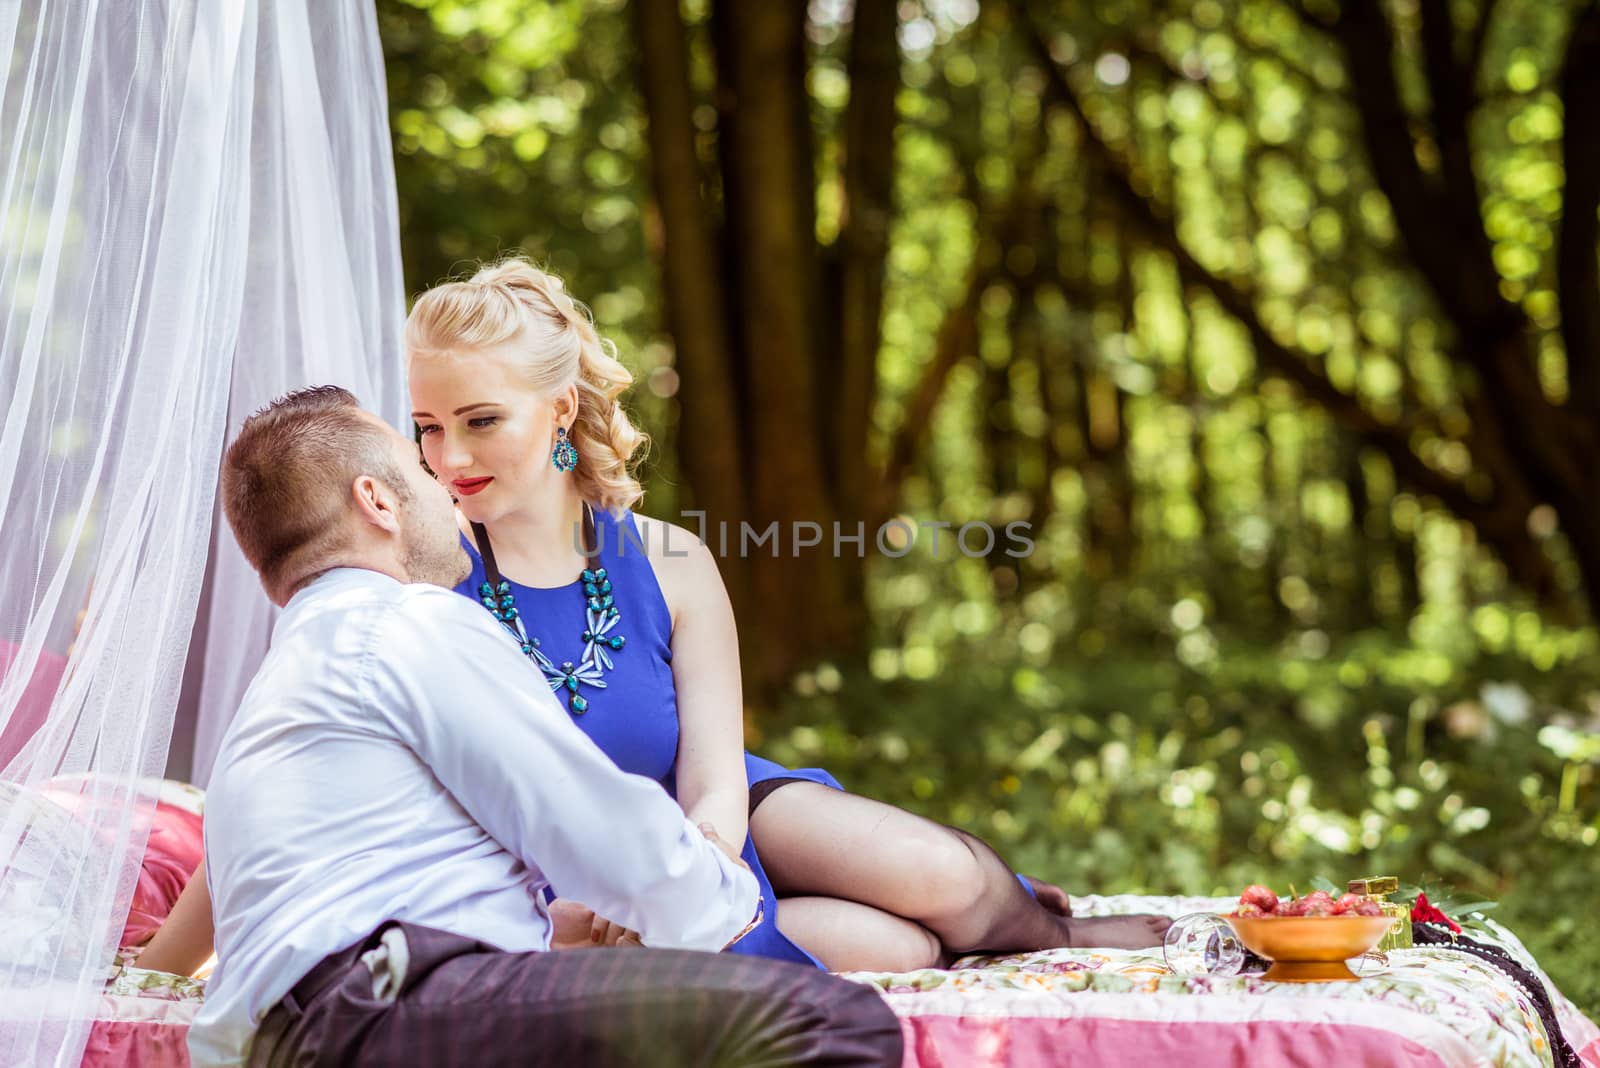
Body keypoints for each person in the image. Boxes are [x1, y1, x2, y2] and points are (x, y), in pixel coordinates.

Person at [405, 259, 1170, 972]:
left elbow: (712, 776)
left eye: (480, 421)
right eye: (429, 427)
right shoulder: (427, 589)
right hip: (586, 897)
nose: (449, 459)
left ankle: (1059, 933)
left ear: (561, 408)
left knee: (949, 877)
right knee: (900, 950)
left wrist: (699, 863)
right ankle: (858, 918)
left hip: (718, 826)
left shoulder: (671, 561)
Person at [189, 385, 905, 1068]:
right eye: (418, 464)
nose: (444, 485)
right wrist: (739, 928)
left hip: (284, 1035)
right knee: (833, 1019)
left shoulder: (279, 687)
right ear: (376, 501)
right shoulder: (407, 625)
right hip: (389, 1011)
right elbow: (588, 822)